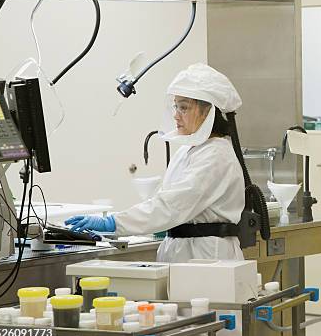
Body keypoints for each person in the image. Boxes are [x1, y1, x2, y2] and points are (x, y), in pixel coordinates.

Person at [65, 63, 245, 262]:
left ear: (207, 112)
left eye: (184, 107)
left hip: (208, 257)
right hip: (185, 253)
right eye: (176, 106)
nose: (176, 115)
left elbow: (171, 206)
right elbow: (166, 204)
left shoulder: (216, 155)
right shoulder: (189, 151)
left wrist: (113, 222)